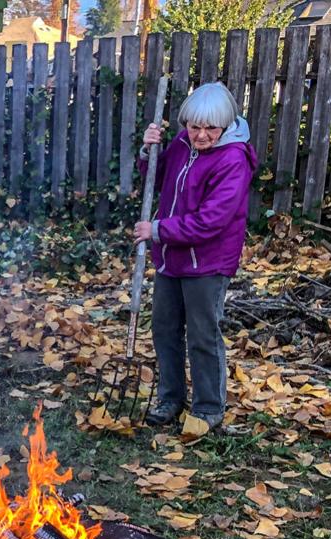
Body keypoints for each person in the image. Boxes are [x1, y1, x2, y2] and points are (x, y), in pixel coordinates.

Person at [134, 82, 257, 431]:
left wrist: (158, 230)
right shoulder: (182, 143)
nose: (201, 135)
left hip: (208, 262)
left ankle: (208, 409)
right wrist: (148, 151)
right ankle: (170, 399)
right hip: (171, 257)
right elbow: (157, 178)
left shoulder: (233, 160)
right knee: (164, 328)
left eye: (210, 129)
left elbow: (210, 221)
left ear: (226, 125)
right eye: (194, 127)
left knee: (202, 334)